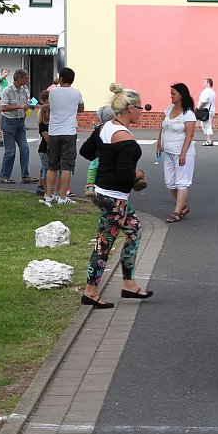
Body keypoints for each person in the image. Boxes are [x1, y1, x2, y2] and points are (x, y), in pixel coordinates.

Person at [79, 83, 152, 309]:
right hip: (114, 198)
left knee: (134, 232)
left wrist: (105, 161)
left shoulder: (105, 127)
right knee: (104, 244)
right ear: (130, 108)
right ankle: (90, 291)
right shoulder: (126, 139)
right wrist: (138, 174)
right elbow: (123, 175)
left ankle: (129, 284)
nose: (142, 112)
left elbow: (86, 152)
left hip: (104, 193)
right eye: (140, 108)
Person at [156, 82, 197, 222]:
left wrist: (183, 153)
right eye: (171, 94)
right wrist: (159, 143)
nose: (171, 96)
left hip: (182, 153)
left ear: (181, 95)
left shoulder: (188, 114)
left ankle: (177, 212)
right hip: (168, 151)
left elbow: (190, 135)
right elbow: (163, 127)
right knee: (170, 183)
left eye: (173, 94)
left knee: (182, 182)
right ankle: (183, 206)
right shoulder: (169, 109)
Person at [43, 67, 84, 205]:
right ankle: (62, 196)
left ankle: (48, 195)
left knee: (52, 165)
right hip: (69, 132)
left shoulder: (52, 92)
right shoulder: (76, 93)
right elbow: (81, 108)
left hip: (54, 132)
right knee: (67, 166)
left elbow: (49, 104)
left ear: (60, 78)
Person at [0, 69, 38, 184]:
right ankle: (4, 176)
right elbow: (3, 107)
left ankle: (25, 175)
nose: (27, 80)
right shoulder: (7, 90)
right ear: (19, 78)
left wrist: (32, 106)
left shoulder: (24, 90)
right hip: (8, 122)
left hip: (20, 122)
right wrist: (20, 106)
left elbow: (26, 104)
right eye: (25, 78)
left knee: (25, 149)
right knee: (10, 151)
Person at [84, 105, 115, 197]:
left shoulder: (101, 128)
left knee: (93, 165)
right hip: (114, 154)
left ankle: (90, 185)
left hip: (102, 154)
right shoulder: (117, 127)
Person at [36, 91, 51, 196]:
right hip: (44, 148)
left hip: (48, 149)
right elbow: (48, 139)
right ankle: (45, 187)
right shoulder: (43, 124)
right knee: (45, 167)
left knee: (45, 166)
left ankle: (42, 186)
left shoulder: (50, 123)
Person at [198, 78, 216, 146]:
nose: (203, 84)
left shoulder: (206, 91)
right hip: (210, 110)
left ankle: (209, 141)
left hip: (206, 111)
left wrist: (198, 108)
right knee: (205, 125)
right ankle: (208, 140)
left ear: (208, 83)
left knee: (207, 125)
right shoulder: (212, 92)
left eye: (204, 82)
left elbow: (203, 101)